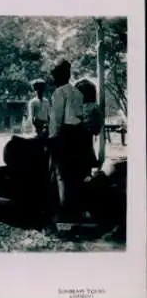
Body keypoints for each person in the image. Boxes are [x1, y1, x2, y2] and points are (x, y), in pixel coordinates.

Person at [48, 59, 87, 222]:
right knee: (75, 173)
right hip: (78, 135)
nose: (54, 79)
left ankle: (65, 211)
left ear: (62, 75)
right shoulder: (78, 93)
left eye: (56, 76)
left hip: (64, 135)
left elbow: (57, 119)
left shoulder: (59, 92)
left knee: (62, 173)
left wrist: (52, 139)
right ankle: (76, 208)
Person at [75, 79, 103, 175]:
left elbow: (99, 120)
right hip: (77, 132)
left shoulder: (94, 106)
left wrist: (95, 129)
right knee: (80, 151)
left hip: (87, 132)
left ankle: (87, 170)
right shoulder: (77, 106)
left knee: (87, 149)